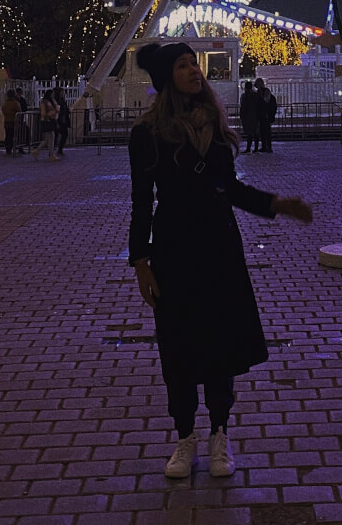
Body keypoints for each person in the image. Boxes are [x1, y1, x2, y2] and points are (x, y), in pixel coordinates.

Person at [129, 42, 312, 481]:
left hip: (218, 247)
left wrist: (277, 205)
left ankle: (219, 432)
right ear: (165, 78)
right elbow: (141, 202)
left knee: (219, 343)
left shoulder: (214, 125)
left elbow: (229, 188)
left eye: (194, 63)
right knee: (179, 344)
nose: (194, 70)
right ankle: (185, 435)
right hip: (173, 248)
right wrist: (140, 260)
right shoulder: (147, 135)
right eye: (182, 65)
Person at [32, 89, 59, 161]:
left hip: (50, 120)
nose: (53, 96)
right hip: (47, 121)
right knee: (50, 137)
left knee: (48, 139)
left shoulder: (50, 101)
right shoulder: (45, 102)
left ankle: (37, 151)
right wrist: (51, 114)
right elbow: (43, 113)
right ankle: (50, 154)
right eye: (52, 94)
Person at [254, 78, 277, 153]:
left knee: (266, 131)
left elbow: (265, 101)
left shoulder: (265, 92)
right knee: (263, 131)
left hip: (265, 114)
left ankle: (268, 146)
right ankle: (265, 146)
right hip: (263, 114)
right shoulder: (261, 92)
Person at [239, 79, 259, 153]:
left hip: (247, 116)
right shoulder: (255, 95)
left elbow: (243, 107)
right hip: (255, 116)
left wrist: (241, 115)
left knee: (249, 133)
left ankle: (248, 148)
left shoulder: (245, 96)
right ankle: (256, 148)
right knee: (255, 132)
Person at [1, 88, 22, 156]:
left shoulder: (5, 103)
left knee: (8, 135)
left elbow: (3, 110)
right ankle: (15, 148)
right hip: (14, 121)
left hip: (7, 121)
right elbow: (19, 111)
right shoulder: (15, 103)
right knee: (14, 135)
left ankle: (8, 148)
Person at [53, 88, 71, 158]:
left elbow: (64, 108)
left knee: (63, 134)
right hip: (59, 119)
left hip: (63, 119)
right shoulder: (56, 101)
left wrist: (67, 110)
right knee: (57, 134)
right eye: (61, 92)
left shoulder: (62, 100)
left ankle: (59, 148)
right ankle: (56, 149)